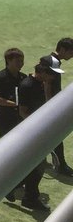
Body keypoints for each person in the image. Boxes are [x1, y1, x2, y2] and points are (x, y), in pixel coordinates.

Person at [16, 56, 63, 211]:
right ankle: (29, 198)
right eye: (52, 74)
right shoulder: (27, 85)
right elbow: (22, 112)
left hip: (39, 129)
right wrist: (37, 128)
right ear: (42, 71)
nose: (55, 77)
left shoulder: (44, 83)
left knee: (34, 165)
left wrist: (47, 86)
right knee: (36, 166)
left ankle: (17, 189)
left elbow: (48, 105)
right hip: (30, 132)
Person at [0, 47, 28, 203]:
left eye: (22, 61)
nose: (21, 63)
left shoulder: (23, 78)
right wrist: (15, 104)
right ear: (9, 61)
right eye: (18, 61)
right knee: (8, 150)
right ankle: (6, 185)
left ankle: (16, 181)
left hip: (20, 119)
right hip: (5, 119)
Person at [46, 37, 73, 174]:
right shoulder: (51, 62)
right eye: (71, 52)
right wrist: (51, 106)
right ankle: (61, 165)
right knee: (56, 136)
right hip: (50, 106)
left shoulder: (52, 61)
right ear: (62, 49)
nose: (72, 55)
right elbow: (47, 84)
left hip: (51, 104)